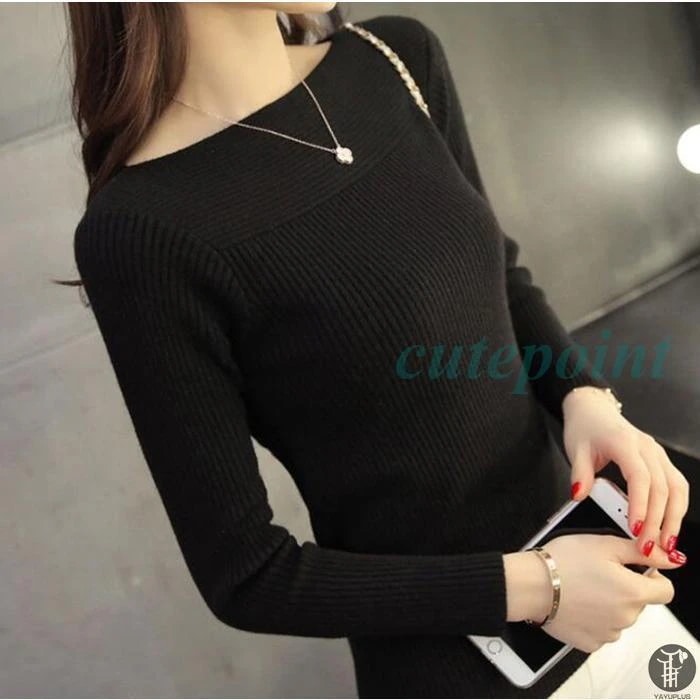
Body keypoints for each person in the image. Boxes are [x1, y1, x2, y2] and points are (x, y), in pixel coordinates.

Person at [63, 3, 690, 697]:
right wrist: (538, 586)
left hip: (620, 602)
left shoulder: (395, 59)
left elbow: (498, 276)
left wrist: (585, 398)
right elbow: (248, 574)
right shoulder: (141, 232)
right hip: (463, 676)